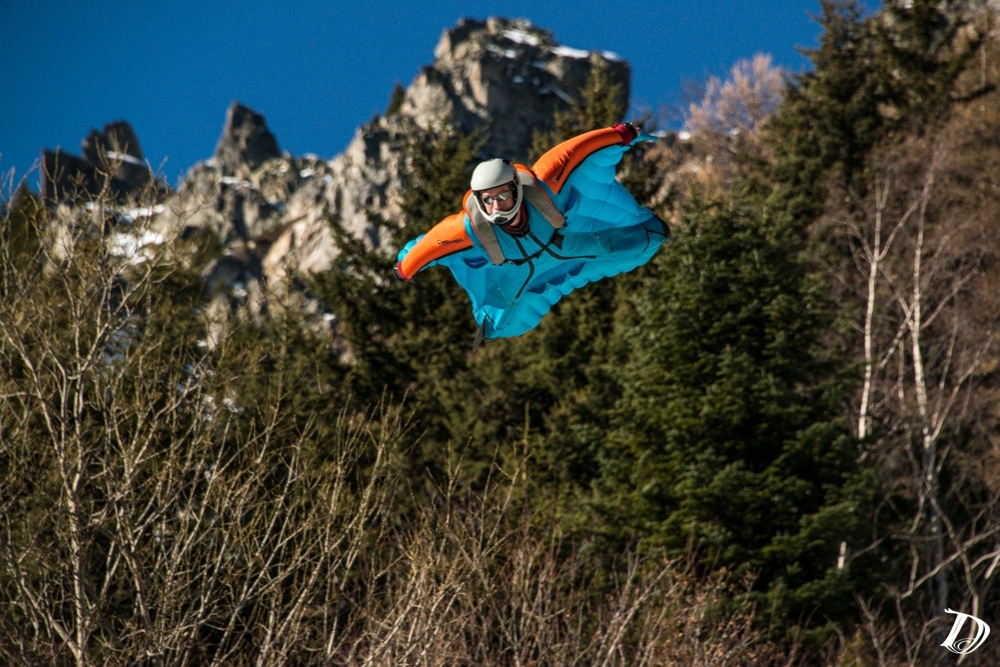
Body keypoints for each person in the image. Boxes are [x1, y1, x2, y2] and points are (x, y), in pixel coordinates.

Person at [394, 123, 668, 348]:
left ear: (516, 188)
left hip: (570, 245)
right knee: (497, 323)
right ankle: (493, 323)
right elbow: (428, 247)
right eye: (487, 200)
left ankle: (649, 233)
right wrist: (405, 269)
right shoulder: (468, 230)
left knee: (649, 237)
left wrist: (624, 134)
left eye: (503, 195)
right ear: (478, 200)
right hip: (519, 274)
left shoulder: (546, 184)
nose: (497, 205)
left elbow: (578, 149)